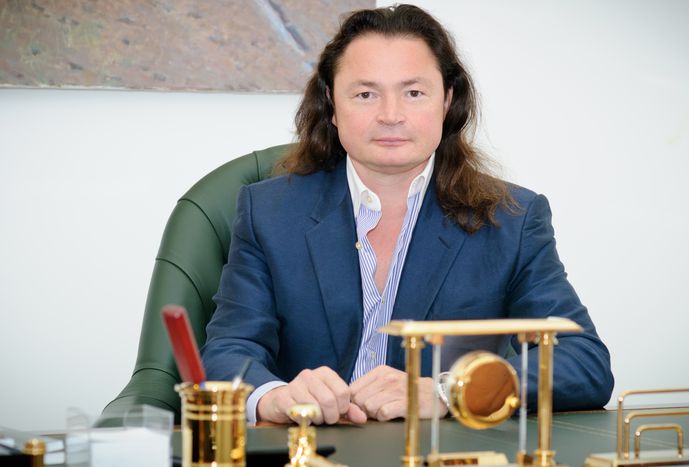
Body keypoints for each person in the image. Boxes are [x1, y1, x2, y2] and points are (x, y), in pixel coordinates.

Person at [201, 4, 614, 425]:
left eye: (413, 93)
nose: (391, 115)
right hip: (310, 445)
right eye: (366, 94)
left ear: (447, 100)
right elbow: (228, 350)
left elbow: (583, 361)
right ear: (332, 103)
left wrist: (450, 390)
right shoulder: (269, 213)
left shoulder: (510, 220)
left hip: (440, 449)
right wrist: (273, 397)